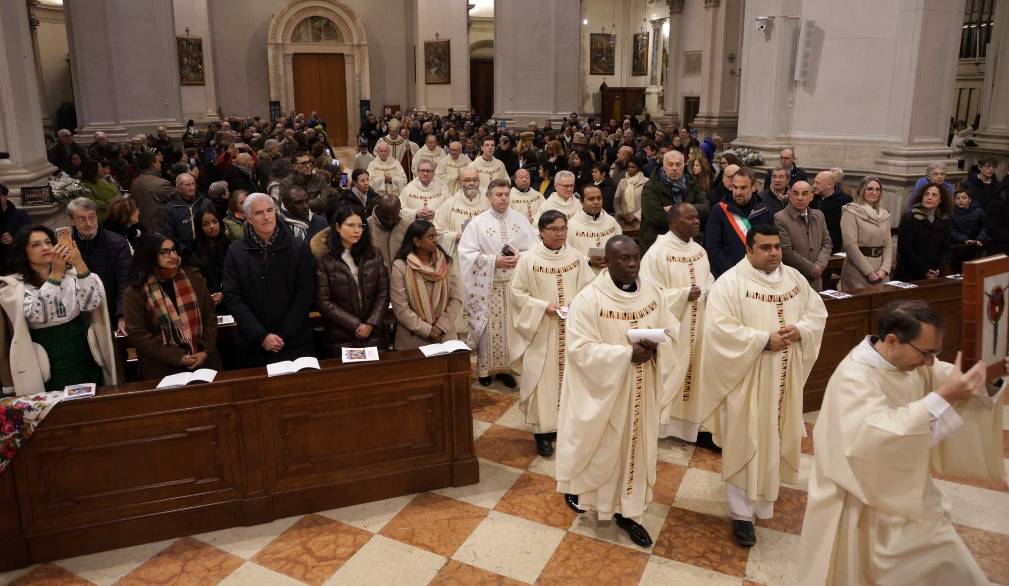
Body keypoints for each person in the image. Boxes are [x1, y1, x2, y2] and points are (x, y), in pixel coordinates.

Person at [798, 300, 1006, 585]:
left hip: (909, 491)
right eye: (926, 352)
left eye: (936, 352)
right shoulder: (854, 377)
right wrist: (945, 396)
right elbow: (873, 442)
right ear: (893, 341)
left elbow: (945, 376)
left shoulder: (910, 363)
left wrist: (989, 377)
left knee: (952, 568)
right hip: (863, 501)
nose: (930, 361)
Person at [699, 224, 827, 547]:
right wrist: (762, 341)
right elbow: (718, 331)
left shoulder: (794, 279)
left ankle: (765, 496)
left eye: (777, 248)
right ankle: (742, 514)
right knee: (746, 440)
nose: (774, 254)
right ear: (748, 250)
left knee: (775, 438)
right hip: (747, 380)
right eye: (766, 248)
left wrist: (801, 330)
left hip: (784, 378)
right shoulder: (730, 284)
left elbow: (817, 313)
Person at [555, 236, 679, 548]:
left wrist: (658, 344)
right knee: (606, 451)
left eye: (636, 257)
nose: (633, 264)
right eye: (624, 259)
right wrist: (626, 355)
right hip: (607, 394)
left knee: (636, 450)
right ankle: (597, 503)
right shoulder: (589, 300)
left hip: (643, 389)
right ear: (607, 262)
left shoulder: (652, 293)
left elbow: (671, 328)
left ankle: (630, 513)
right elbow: (579, 350)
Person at [509, 210, 593, 456]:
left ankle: (567, 428)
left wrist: (576, 306)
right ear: (541, 232)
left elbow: (590, 290)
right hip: (541, 330)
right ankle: (542, 433)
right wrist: (543, 306)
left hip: (572, 331)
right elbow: (517, 294)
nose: (560, 234)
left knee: (572, 380)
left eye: (563, 229)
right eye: (554, 230)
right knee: (541, 381)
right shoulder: (529, 260)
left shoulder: (576, 258)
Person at [0, 226, 116, 394]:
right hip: (46, 353)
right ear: (23, 251)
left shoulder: (72, 276)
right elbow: (38, 315)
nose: (46, 247)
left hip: (80, 348)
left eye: (48, 242)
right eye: (36, 245)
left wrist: (79, 263)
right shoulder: (15, 286)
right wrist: (55, 273)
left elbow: (92, 303)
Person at [639, 202, 714, 442]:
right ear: (673, 223)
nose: (696, 221)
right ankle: (662, 425)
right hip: (674, 327)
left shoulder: (699, 251)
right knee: (672, 373)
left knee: (696, 373)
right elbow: (649, 293)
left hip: (699, 324)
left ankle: (692, 426)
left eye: (697, 217)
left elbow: (709, 279)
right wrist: (682, 295)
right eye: (690, 218)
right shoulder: (657, 252)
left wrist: (709, 291)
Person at [459, 179, 538, 387]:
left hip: (514, 284)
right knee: (488, 330)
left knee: (511, 328)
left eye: (506, 194)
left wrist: (519, 256)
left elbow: (535, 250)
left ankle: (507, 370)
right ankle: (484, 371)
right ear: (488, 197)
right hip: (488, 286)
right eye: (498, 195)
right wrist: (495, 260)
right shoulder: (478, 223)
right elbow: (466, 254)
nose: (503, 198)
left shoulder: (520, 220)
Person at [222, 193, 315, 367]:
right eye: (259, 213)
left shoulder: (297, 247)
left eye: (270, 210)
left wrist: (284, 334)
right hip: (254, 345)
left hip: (294, 341)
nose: (266, 217)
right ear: (248, 218)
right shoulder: (235, 252)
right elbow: (233, 297)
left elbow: (305, 292)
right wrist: (261, 336)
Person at [122, 233, 220, 381]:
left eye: (174, 250)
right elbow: (138, 334)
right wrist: (178, 357)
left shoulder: (194, 277)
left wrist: (205, 350)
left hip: (203, 361)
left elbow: (210, 317)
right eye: (164, 252)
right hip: (162, 368)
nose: (173, 256)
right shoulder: (136, 291)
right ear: (150, 256)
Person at [312, 206, 389, 352]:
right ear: (338, 227)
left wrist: (371, 324)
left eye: (360, 226)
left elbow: (383, 292)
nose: (357, 230)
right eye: (351, 225)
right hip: (341, 334)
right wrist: (355, 325)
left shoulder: (374, 254)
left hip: (374, 332)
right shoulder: (325, 260)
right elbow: (323, 300)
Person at [390, 219, 463, 350]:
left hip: (445, 336)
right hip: (413, 340)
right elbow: (400, 307)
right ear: (417, 241)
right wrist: (428, 330)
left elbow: (456, 299)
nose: (435, 240)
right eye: (430, 237)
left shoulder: (445, 263)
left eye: (435, 235)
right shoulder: (401, 266)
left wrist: (440, 327)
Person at [67, 197, 131, 334]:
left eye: (92, 217)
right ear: (72, 221)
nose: (89, 223)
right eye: (81, 219)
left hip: (110, 308)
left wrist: (122, 314)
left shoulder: (117, 243)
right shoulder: (66, 246)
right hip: (79, 313)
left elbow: (124, 281)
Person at [705, 167, 774, 278]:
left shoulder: (765, 210)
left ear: (754, 187)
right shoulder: (719, 210)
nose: (738, 192)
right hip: (730, 276)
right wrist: (736, 273)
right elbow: (713, 249)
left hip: (760, 275)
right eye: (735, 187)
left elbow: (772, 243)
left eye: (743, 188)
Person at [640, 150, 708, 252]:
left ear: (683, 165)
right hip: (658, 243)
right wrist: (689, 217)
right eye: (670, 164)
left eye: (678, 164)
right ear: (663, 166)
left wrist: (676, 209)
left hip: (687, 242)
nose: (674, 168)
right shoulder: (651, 186)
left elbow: (705, 208)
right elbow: (656, 218)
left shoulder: (691, 183)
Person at [774, 180, 832, 291]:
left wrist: (819, 266)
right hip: (793, 280)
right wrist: (811, 269)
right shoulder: (780, 218)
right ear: (790, 195)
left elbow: (827, 243)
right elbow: (786, 251)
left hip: (816, 279)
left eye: (804, 194)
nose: (800, 198)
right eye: (796, 193)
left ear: (811, 196)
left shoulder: (818, 215)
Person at [839, 176, 892, 291]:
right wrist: (868, 272)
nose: (874, 192)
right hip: (858, 270)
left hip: (880, 270)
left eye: (877, 189)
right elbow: (850, 245)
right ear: (861, 191)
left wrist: (885, 269)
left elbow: (888, 244)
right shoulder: (851, 212)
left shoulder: (884, 214)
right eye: (870, 189)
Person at [894, 182, 951, 281]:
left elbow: (945, 249)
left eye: (934, 195)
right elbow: (905, 249)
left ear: (940, 200)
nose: (929, 197)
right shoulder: (909, 218)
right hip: (909, 274)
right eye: (926, 194)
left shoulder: (943, 220)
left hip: (934, 274)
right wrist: (924, 271)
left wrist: (938, 269)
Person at [434, 167, 488, 261]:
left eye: (475, 180)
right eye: (467, 180)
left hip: (484, 256)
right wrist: (456, 237)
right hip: (457, 259)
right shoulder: (449, 204)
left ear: (479, 182)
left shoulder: (489, 203)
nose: (471, 183)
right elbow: (437, 231)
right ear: (459, 183)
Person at [566, 185, 622, 274]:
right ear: (581, 201)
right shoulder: (572, 225)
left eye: (599, 198)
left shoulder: (612, 222)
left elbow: (620, 247)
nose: (596, 202)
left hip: (609, 275)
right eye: (591, 199)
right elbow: (566, 253)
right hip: (585, 275)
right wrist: (588, 261)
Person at [161, 173, 215, 254]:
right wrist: (183, 250)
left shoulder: (206, 203)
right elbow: (169, 234)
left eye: (193, 184)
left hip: (207, 249)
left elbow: (216, 225)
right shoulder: (169, 209)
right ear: (179, 189)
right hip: (184, 252)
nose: (192, 187)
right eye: (187, 185)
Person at [189, 208, 231, 310]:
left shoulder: (229, 246)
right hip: (203, 299)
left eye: (215, 222)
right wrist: (207, 295)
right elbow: (194, 278)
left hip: (228, 297)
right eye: (206, 224)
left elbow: (233, 275)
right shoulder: (193, 249)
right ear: (200, 227)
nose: (212, 227)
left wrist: (223, 293)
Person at [361, 195, 416, 272]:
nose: (390, 222)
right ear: (377, 209)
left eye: (394, 218)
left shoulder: (407, 225)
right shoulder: (365, 227)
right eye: (385, 218)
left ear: (399, 211)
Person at [131, 151, 175, 234]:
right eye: (158, 162)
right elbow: (180, 200)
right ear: (153, 164)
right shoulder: (162, 184)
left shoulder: (135, 182)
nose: (160, 164)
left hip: (142, 227)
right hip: (160, 227)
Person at [810, 170, 852, 255]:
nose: (814, 186)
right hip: (811, 245)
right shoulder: (810, 198)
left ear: (829, 185)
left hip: (833, 247)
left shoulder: (844, 200)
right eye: (814, 182)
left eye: (818, 183)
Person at [949, 186, 986, 271]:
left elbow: (985, 226)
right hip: (959, 247)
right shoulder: (951, 213)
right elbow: (952, 230)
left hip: (977, 245)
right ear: (954, 200)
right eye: (958, 198)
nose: (960, 200)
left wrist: (980, 238)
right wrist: (964, 239)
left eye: (964, 198)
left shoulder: (978, 212)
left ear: (970, 200)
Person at [0, 182, 32, 274]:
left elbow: (29, 237)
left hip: (14, 265)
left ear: (5, 196)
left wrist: (13, 240)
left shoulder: (21, 216)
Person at [80, 159, 122, 223]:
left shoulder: (103, 178)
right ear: (92, 169)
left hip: (117, 211)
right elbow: (91, 201)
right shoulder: (85, 185)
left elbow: (116, 191)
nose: (102, 168)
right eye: (99, 167)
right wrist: (110, 204)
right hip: (105, 217)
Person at [614, 157, 647, 231]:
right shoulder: (622, 182)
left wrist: (635, 216)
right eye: (628, 167)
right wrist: (620, 213)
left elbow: (648, 203)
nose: (630, 169)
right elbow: (617, 201)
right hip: (623, 222)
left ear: (638, 168)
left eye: (633, 167)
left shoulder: (646, 182)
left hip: (639, 222)